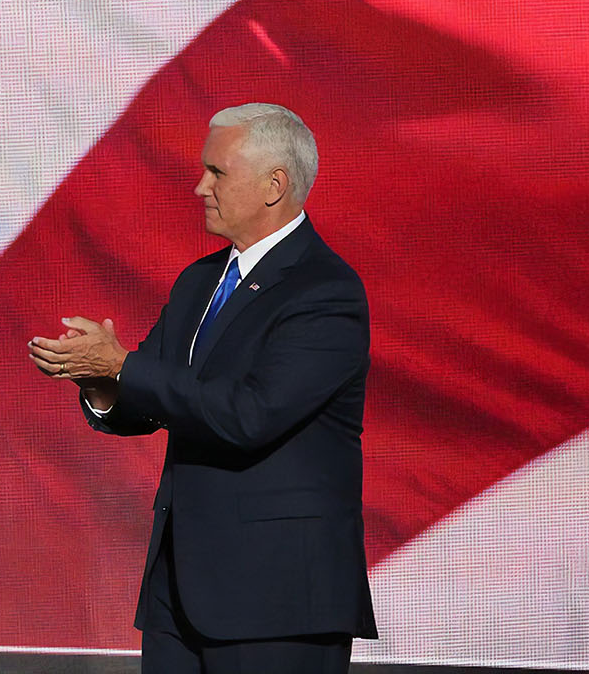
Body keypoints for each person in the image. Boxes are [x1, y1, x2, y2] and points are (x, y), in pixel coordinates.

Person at [28, 103, 376, 672]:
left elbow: (251, 415)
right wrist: (101, 381)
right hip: (179, 593)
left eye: (218, 172)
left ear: (274, 185)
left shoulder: (324, 292)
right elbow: (153, 398)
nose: (199, 186)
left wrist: (124, 367)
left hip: (277, 602)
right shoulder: (200, 281)